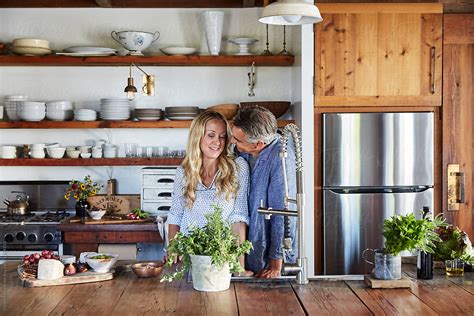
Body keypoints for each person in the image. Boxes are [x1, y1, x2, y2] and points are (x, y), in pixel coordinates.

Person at [167, 111, 251, 273]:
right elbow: (176, 214)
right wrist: (173, 249)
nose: (217, 142)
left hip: (222, 258)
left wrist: (238, 267)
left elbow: (239, 217)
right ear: (197, 137)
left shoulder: (239, 167)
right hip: (189, 256)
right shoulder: (183, 172)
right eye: (211, 135)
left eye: (221, 136)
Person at [231, 106, 297, 278]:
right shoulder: (246, 153)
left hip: (268, 260)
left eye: (238, 140)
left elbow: (282, 213)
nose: (233, 141)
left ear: (259, 143)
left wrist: (275, 262)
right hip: (247, 251)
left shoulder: (280, 157)